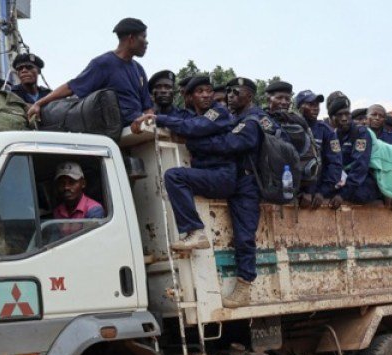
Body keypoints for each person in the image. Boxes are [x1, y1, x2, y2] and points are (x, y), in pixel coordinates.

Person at [184, 77, 286, 308]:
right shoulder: (235, 118)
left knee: (244, 236)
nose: (230, 95)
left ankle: (245, 284)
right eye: (228, 91)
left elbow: (231, 145)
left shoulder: (255, 119)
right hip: (231, 179)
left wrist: (197, 144)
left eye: (235, 92)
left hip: (248, 183)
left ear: (249, 95)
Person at [27, 18, 155, 134]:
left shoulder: (139, 70)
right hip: (117, 132)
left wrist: (149, 121)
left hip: (139, 128)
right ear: (131, 38)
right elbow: (71, 87)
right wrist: (39, 103)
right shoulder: (103, 64)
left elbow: (147, 107)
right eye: (143, 37)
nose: (146, 42)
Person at [155, 74, 235, 252]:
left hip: (223, 175)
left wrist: (158, 119)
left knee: (174, 176)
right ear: (189, 97)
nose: (206, 95)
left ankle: (195, 231)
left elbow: (194, 127)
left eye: (209, 91)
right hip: (211, 175)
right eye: (200, 91)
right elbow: (190, 124)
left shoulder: (218, 112)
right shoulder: (195, 117)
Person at [329, 97, 382, 205]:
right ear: (332, 118)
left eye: (347, 114)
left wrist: (343, 194)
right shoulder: (333, 135)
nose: (344, 118)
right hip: (343, 183)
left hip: (363, 186)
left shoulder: (361, 133)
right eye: (339, 115)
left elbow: (360, 165)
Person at [296, 90, 343, 209]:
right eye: (311, 104)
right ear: (300, 107)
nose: (316, 108)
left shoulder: (326, 131)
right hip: (292, 192)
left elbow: (335, 164)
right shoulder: (289, 128)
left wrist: (322, 192)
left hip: (316, 192)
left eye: (317, 105)